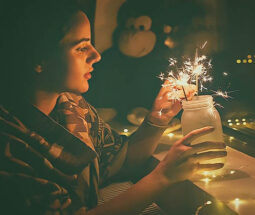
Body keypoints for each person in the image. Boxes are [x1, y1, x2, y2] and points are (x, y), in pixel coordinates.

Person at [0, 0, 227, 214]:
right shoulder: (9, 141)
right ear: (39, 59)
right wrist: (162, 177)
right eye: (81, 48)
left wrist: (157, 119)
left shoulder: (72, 107)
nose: (96, 55)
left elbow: (120, 162)